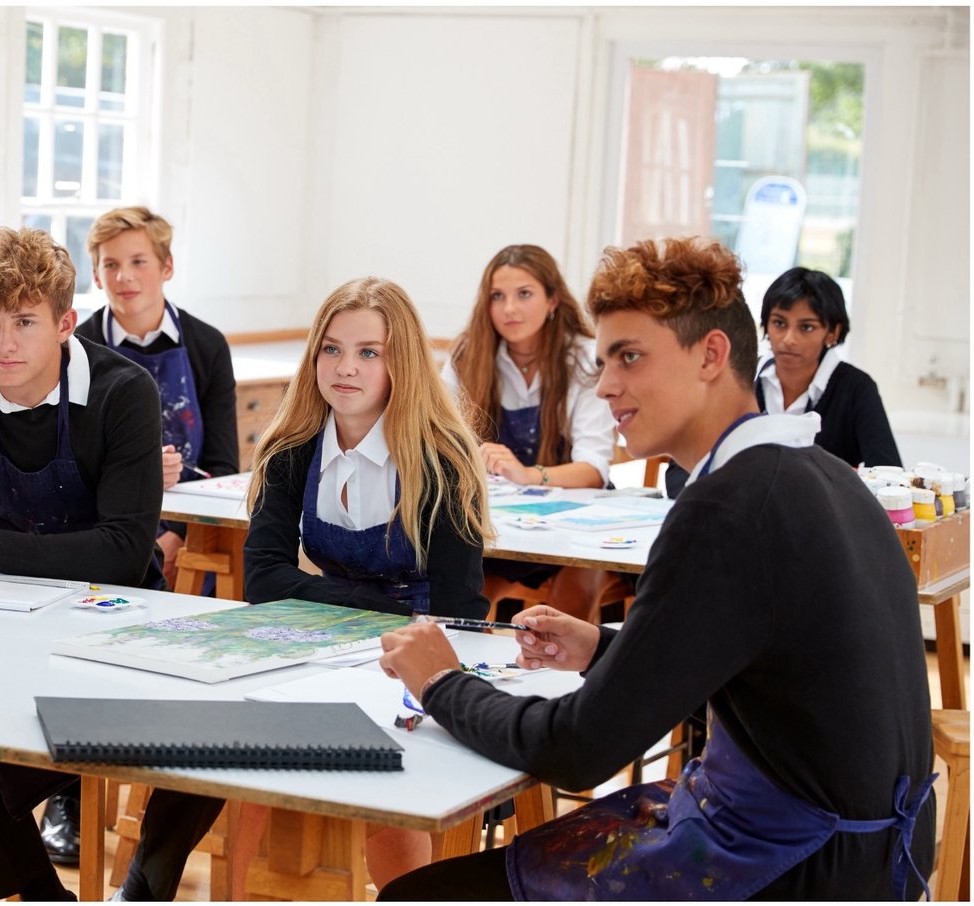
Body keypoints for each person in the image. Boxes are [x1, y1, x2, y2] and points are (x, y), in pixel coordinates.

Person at [377, 237, 935, 901]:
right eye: (606, 360)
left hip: (794, 867)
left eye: (630, 357)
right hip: (873, 861)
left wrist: (440, 680)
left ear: (712, 355)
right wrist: (606, 650)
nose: (607, 384)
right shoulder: (822, 477)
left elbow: (578, 751)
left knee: (419, 895)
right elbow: (775, 677)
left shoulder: (727, 507)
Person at [143, 276, 494, 891]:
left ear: (401, 362)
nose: (345, 368)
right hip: (317, 637)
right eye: (330, 349)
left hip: (415, 654)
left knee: (382, 777)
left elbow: (458, 607)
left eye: (368, 352)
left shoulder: (442, 459)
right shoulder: (290, 449)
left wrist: (349, 609)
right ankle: (156, 885)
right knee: (225, 728)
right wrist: (376, 605)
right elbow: (263, 578)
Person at [0, 226, 215, 901]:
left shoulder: (121, 392)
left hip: (123, 614)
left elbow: (124, 550)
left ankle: (146, 884)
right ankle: (38, 896)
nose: (4, 343)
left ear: (66, 323)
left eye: (24, 322)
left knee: (219, 722)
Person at [443, 244, 617, 621]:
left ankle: (567, 678)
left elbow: (594, 468)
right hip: (499, 523)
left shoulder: (586, 360)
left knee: (571, 599)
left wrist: (527, 475)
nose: (509, 309)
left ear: (553, 300)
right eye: (497, 297)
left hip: (578, 517)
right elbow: (442, 444)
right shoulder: (467, 358)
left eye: (524, 294)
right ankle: (470, 677)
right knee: (462, 597)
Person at [74, 205, 239, 584]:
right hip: (101, 537)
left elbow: (223, 465)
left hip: (192, 539)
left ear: (167, 267)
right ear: (96, 277)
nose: (124, 277)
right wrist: (139, 475)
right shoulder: (76, 350)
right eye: (110, 265)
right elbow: (70, 465)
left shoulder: (207, 346)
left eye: (138, 261)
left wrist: (178, 537)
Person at [661, 265, 902, 496]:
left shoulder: (857, 388)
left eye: (806, 327)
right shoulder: (739, 376)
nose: (788, 339)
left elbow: (889, 476)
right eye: (779, 323)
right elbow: (680, 470)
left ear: (833, 332)